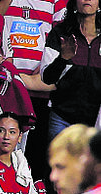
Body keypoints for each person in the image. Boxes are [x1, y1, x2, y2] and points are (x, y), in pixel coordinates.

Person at [40, 0, 101, 140]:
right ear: (74, 3)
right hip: (62, 118)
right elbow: (46, 77)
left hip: (96, 122)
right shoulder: (60, 32)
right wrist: (62, 58)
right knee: (60, 162)